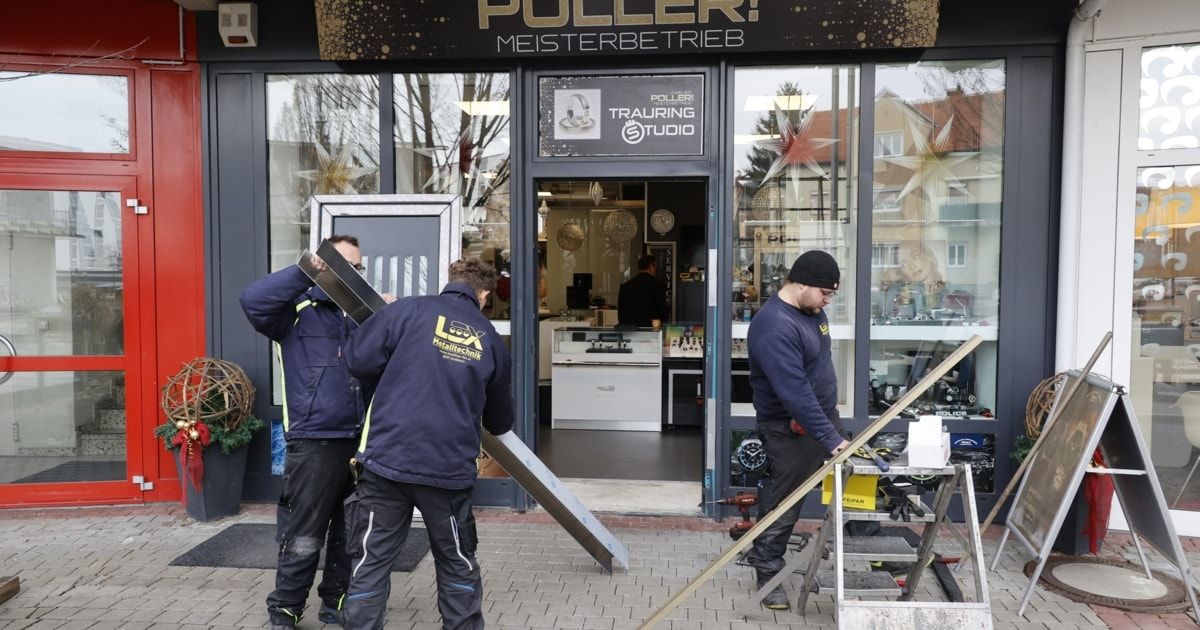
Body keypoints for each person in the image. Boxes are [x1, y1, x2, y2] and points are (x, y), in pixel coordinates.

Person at [341, 258, 514, 630]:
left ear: (451, 281)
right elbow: (501, 421)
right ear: (484, 294)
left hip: (387, 461)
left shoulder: (407, 311)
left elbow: (356, 360)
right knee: (456, 562)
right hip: (447, 472)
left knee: (371, 561)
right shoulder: (489, 338)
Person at [240, 234, 395, 629]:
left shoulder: (365, 316)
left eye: (358, 267)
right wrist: (305, 271)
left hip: (361, 441)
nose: (354, 274)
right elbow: (253, 301)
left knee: (351, 532)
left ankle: (336, 602)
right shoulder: (297, 310)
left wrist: (390, 314)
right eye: (344, 265)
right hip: (315, 441)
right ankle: (286, 608)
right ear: (325, 265)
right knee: (304, 532)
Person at [741, 249, 851, 611]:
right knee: (783, 503)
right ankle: (767, 573)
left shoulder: (812, 312)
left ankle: (877, 550)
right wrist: (831, 439)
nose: (827, 301)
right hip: (788, 430)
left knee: (855, 483)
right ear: (801, 284)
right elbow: (795, 392)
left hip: (822, 418)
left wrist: (830, 426)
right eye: (825, 293)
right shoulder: (774, 327)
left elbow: (818, 365)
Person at [617, 254, 670, 327]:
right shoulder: (657, 285)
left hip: (630, 330)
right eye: (655, 267)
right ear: (651, 267)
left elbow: (621, 315)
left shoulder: (625, 286)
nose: (656, 270)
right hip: (651, 329)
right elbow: (663, 313)